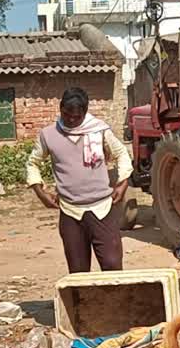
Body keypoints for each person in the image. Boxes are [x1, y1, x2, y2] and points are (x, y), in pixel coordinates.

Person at [27, 87, 133, 273]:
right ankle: (85, 303)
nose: (71, 120)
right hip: (70, 211)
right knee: (78, 271)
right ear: (61, 109)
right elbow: (32, 163)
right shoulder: (48, 135)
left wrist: (122, 183)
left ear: (85, 112)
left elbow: (121, 153)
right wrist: (40, 191)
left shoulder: (99, 130)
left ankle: (112, 302)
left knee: (112, 265)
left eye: (77, 117)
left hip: (102, 209)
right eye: (67, 115)